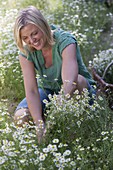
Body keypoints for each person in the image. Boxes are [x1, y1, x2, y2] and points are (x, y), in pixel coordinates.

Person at [14, 6, 95, 143]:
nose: (31, 40)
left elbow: (70, 83)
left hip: (77, 90)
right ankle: (44, 135)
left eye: (34, 33)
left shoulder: (65, 41)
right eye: (25, 37)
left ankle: (72, 132)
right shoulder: (26, 52)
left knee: (78, 81)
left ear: (43, 26)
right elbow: (32, 91)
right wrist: (39, 125)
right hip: (48, 91)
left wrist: (53, 117)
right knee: (20, 117)